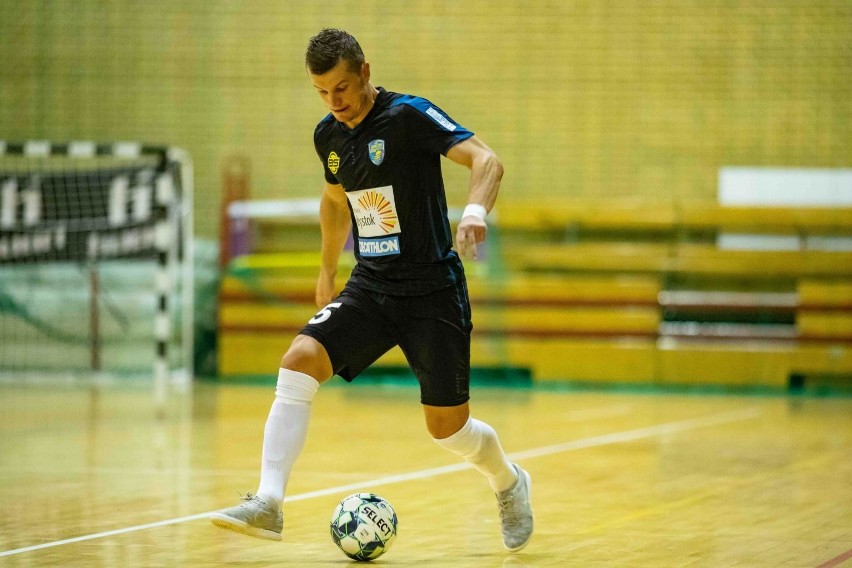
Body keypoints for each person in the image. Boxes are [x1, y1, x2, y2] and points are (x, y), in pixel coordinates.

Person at [210, 28, 533, 552]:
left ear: (364, 71)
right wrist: (325, 270)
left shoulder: (408, 116)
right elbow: (336, 202)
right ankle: (269, 503)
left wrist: (474, 213)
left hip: (432, 291)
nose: (334, 102)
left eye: (341, 87)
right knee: (299, 359)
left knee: (449, 430)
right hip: (371, 287)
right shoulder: (328, 136)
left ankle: (509, 482)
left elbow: (486, 160)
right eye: (321, 92)